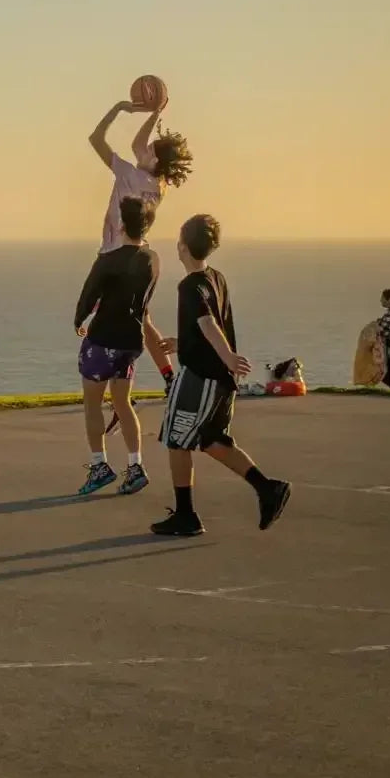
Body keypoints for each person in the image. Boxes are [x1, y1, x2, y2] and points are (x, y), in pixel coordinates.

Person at [152, 214, 292, 537]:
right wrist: (181, 342)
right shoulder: (217, 278)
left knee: (176, 439)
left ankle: (186, 515)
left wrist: (227, 356)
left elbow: (207, 324)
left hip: (200, 379)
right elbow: (205, 325)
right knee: (213, 440)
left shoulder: (189, 286)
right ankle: (268, 489)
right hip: (222, 382)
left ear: (183, 247)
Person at [88, 99, 192, 395]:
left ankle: (117, 391)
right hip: (140, 257)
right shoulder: (159, 184)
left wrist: (119, 108)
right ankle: (170, 378)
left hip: (113, 257)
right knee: (143, 322)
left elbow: (95, 139)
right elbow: (138, 144)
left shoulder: (129, 175)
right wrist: (155, 113)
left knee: (108, 325)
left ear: (156, 161)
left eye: (150, 151)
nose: (143, 149)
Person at [73, 196, 167, 497]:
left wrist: (79, 319)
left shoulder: (108, 261)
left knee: (92, 403)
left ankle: (99, 465)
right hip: (131, 341)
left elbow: (89, 294)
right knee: (122, 402)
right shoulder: (152, 260)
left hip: (103, 340)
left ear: (121, 224)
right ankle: (135, 465)